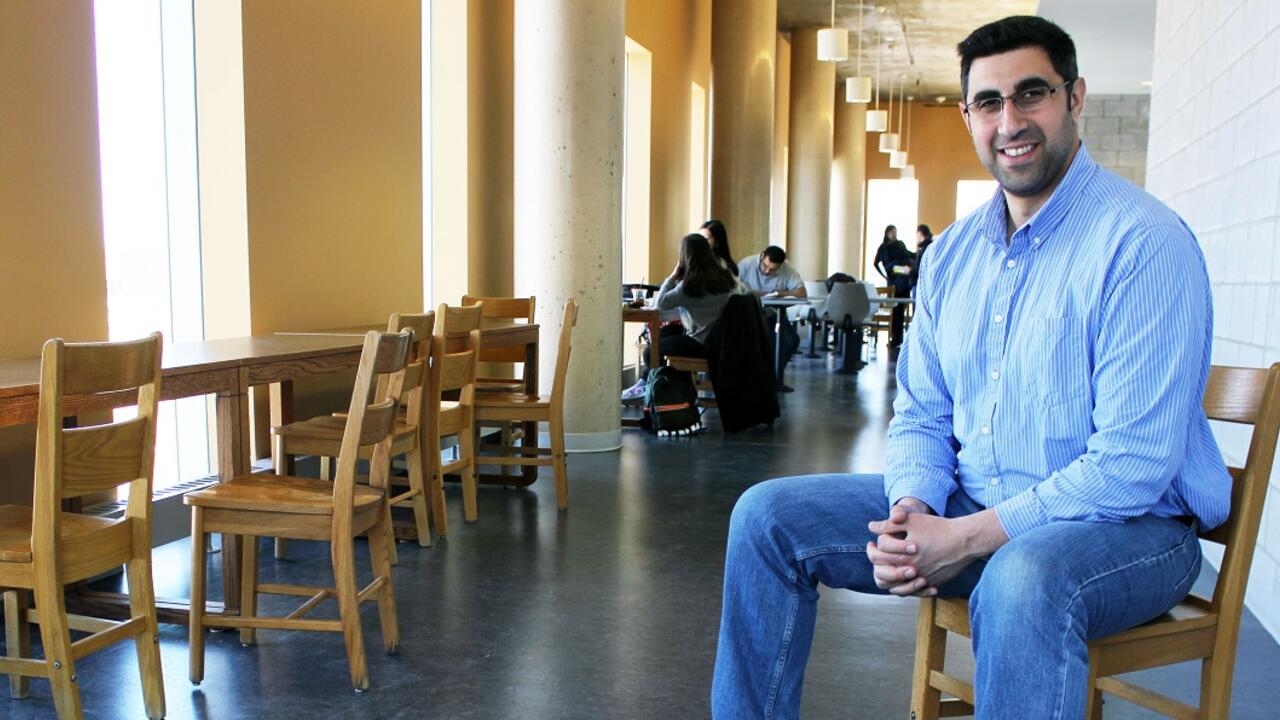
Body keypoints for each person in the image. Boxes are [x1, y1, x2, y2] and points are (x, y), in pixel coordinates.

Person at [711, 15, 1228, 720]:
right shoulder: (953, 256)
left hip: (1127, 534)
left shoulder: (1143, 245)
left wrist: (965, 538)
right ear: (967, 115)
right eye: (989, 102)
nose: (1010, 120)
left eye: (1031, 94)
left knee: (1022, 579)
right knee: (766, 518)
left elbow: (1130, 467)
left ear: (1075, 97)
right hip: (970, 508)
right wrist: (913, 511)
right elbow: (922, 411)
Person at [621, 234, 746, 400]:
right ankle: (654, 383)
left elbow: (661, 303)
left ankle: (665, 393)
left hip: (703, 344)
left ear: (684, 257)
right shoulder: (728, 278)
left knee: (650, 352)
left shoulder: (691, 285)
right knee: (665, 334)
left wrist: (673, 276)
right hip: (725, 342)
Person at [736, 246, 806, 384]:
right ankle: (758, 377)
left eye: (773, 269)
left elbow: (801, 292)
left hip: (772, 314)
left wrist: (781, 293)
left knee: (790, 341)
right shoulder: (746, 264)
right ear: (762, 256)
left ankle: (771, 376)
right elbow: (732, 288)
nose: (767, 271)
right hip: (747, 314)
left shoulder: (786, 268)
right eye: (765, 266)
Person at [873, 224, 915, 347]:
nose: (894, 234)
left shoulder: (900, 244)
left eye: (895, 232)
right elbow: (876, 263)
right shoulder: (883, 248)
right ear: (887, 233)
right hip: (893, 281)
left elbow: (908, 256)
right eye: (892, 232)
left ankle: (898, 338)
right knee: (896, 310)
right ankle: (895, 338)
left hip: (902, 280)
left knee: (900, 310)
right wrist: (885, 276)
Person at [910, 223, 934, 292]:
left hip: (919, 283)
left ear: (920, 233)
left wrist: (910, 270)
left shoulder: (924, 248)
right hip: (927, 283)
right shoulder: (931, 246)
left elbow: (921, 267)